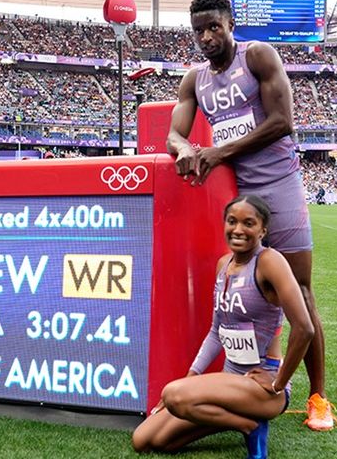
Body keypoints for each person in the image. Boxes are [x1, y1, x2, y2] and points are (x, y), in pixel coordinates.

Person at [167, 0, 336, 431]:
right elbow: (174, 135)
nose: (205, 37)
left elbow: (282, 121)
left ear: (229, 24)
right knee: (237, 293)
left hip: (279, 186)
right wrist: (186, 148)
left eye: (213, 27)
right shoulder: (194, 80)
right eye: (198, 30)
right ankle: (246, 377)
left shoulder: (258, 55)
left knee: (300, 289)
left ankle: (318, 397)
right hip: (237, 196)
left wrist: (217, 151)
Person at [132, 196, 314, 458]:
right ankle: (241, 418)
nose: (238, 229)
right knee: (147, 440)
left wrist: (278, 382)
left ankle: (249, 425)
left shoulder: (269, 261)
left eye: (248, 223)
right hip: (230, 381)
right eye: (232, 221)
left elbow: (304, 328)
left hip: (261, 386)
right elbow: (216, 332)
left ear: (263, 230)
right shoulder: (223, 265)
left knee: (174, 395)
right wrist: (191, 379)